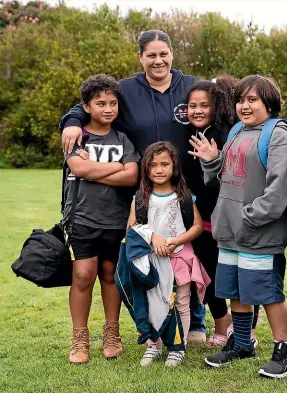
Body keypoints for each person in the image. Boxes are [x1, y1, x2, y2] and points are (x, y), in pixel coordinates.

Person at [59, 29, 207, 344]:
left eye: (163, 54)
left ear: (172, 54)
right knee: (149, 258)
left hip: (186, 190)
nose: (158, 60)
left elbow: (222, 107)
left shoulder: (192, 86)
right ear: (140, 57)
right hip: (140, 196)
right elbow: (88, 104)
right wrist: (71, 122)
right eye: (150, 55)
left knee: (188, 254)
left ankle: (195, 323)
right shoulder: (126, 90)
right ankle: (154, 326)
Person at [189, 75, 287, 379]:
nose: (244, 106)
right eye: (240, 99)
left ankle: (285, 349)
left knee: (267, 293)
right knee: (235, 289)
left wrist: (250, 217)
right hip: (230, 232)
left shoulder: (278, 136)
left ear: (269, 102)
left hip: (259, 233)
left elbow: (280, 190)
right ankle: (241, 343)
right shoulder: (239, 131)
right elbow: (225, 174)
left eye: (252, 99)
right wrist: (212, 160)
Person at [64, 74, 139, 364]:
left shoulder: (122, 138)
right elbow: (79, 170)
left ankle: (112, 333)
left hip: (116, 221)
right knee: (83, 276)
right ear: (86, 106)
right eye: (100, 103)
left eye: (112, 103)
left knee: (110, 275)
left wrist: (94, 167)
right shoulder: (75, 135)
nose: (108, 109)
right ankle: (79, 338)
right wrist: (116, 167)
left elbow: (132, 175)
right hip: (82, 218)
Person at [184, 77, 261, 346]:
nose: (197, 110)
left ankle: (247, 329)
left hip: (231, 220)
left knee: (241, 273)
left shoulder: (229, 134)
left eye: (205, 105)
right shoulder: (186, 134)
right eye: (192, 105)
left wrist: (212, 161)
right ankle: (221, 321)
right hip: (200, 220)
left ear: (216, 106)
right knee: (208, 275)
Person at [125, 141, 210, 366]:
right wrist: (154, 239)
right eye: (153, 165)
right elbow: (131, 228)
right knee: (153, 302)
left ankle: (177, 347)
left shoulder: (183, 196)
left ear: (174, 167)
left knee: (181, 302)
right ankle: (154, 345)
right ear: (146, 168)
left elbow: (197, 227)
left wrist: (174, 241)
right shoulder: (140, 198)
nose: (159, 169)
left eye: (165, 164)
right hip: (151, 260)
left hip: (179, 256)